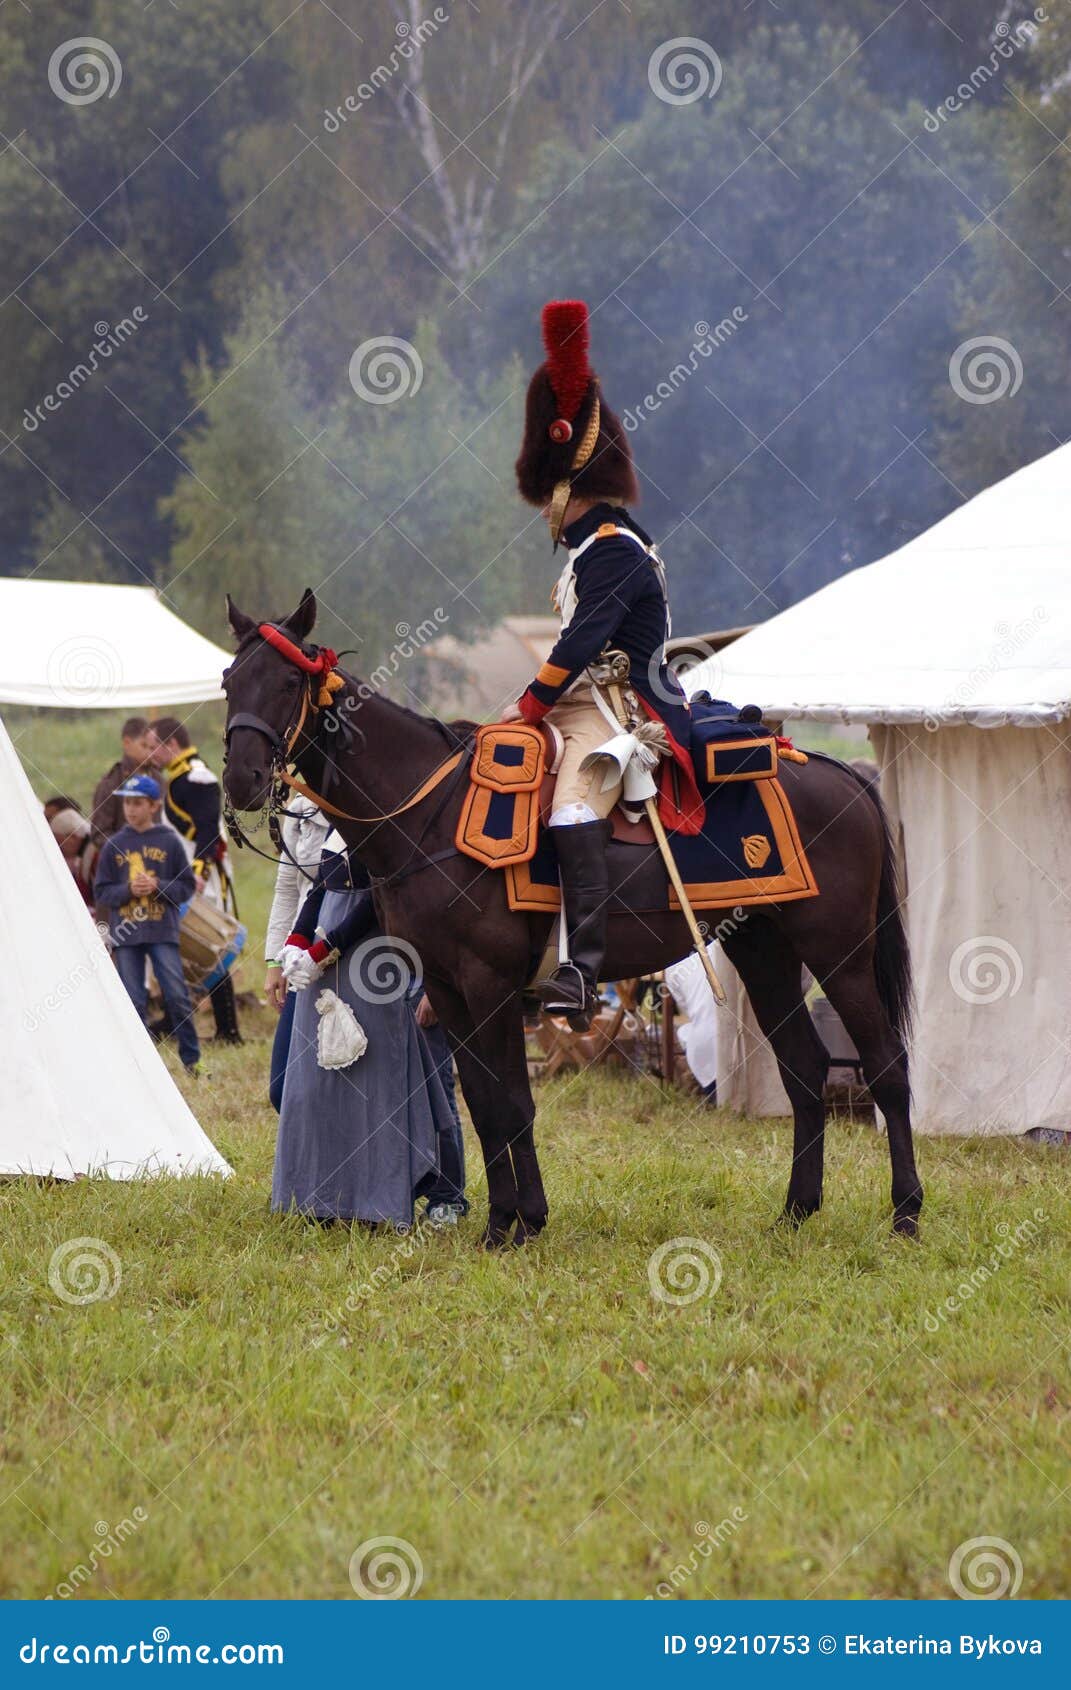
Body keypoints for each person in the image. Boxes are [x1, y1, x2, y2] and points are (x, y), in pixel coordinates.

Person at [505, 298, 704, 1026]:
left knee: (568, 803)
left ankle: (581, 971)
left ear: (561, 486)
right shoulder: (592, 549)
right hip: (580, 700)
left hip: (622, 709)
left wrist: (530, 702)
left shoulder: (614, 549)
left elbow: (582, 644)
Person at [272, 839, 465, 1229]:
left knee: (420, 1089)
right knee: (327, 1088)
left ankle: (445, 1196)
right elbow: (320, 887)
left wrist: (322, 949)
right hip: (330, 969)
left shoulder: (399, 822)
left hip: (388, 966)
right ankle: (334, 1197)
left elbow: (382, 900)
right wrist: (296, 942)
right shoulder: (337, 825)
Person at [92, 774, 201, 1075]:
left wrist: (157, 886)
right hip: (126, 935)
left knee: (176, 995)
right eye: (127, 802)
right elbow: (101, 891)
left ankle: (192, 1059)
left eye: (138, 803)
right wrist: (129, 890)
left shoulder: (169, 841)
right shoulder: (114, 845)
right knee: (133, 1000)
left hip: (162, 931)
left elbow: (186, 887)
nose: (131, 809)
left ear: (154, 805)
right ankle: (142, 1069)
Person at [148, 717, 241, 1045]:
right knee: (185, 949)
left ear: (170, 745)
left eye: (153, 746)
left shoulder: (197, 777)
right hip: (182, 875)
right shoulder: (178, 778)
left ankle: (229, 1031)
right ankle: (176, 1020)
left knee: (209, 947)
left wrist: (199, 872)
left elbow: (207, 830)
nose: (150, 754)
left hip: (201, 878)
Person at [263, 796, 332, 1113]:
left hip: (358, 957)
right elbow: (287, 888)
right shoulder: (301, 808)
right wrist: (275, 961)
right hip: (298, 954)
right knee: (283, 1087)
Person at [90, 717, 153, 846]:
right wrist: (128, 850)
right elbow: (99, 834)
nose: (150, 752)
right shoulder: (111, 784)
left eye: (153, 747)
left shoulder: (158, 779)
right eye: (144, 745)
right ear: (127, 743)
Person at [49, 806, 98, 909]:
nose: (58, 848)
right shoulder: (86, 855)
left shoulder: (95, 855)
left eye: (58, 842)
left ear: (73, 837)